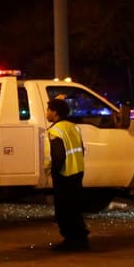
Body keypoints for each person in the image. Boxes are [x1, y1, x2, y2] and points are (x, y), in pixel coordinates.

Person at [45, 97, 89, 251]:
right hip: (77, 171)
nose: (47, 113)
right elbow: (81, 149)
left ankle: (71, 241)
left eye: (49, 110)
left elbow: (58, 156)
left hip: (64, 174)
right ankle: (81, 239)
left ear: (55, 113)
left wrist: (54, 172)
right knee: (75, 208)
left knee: (64, 210)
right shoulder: (74, 127)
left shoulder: (55, 130)